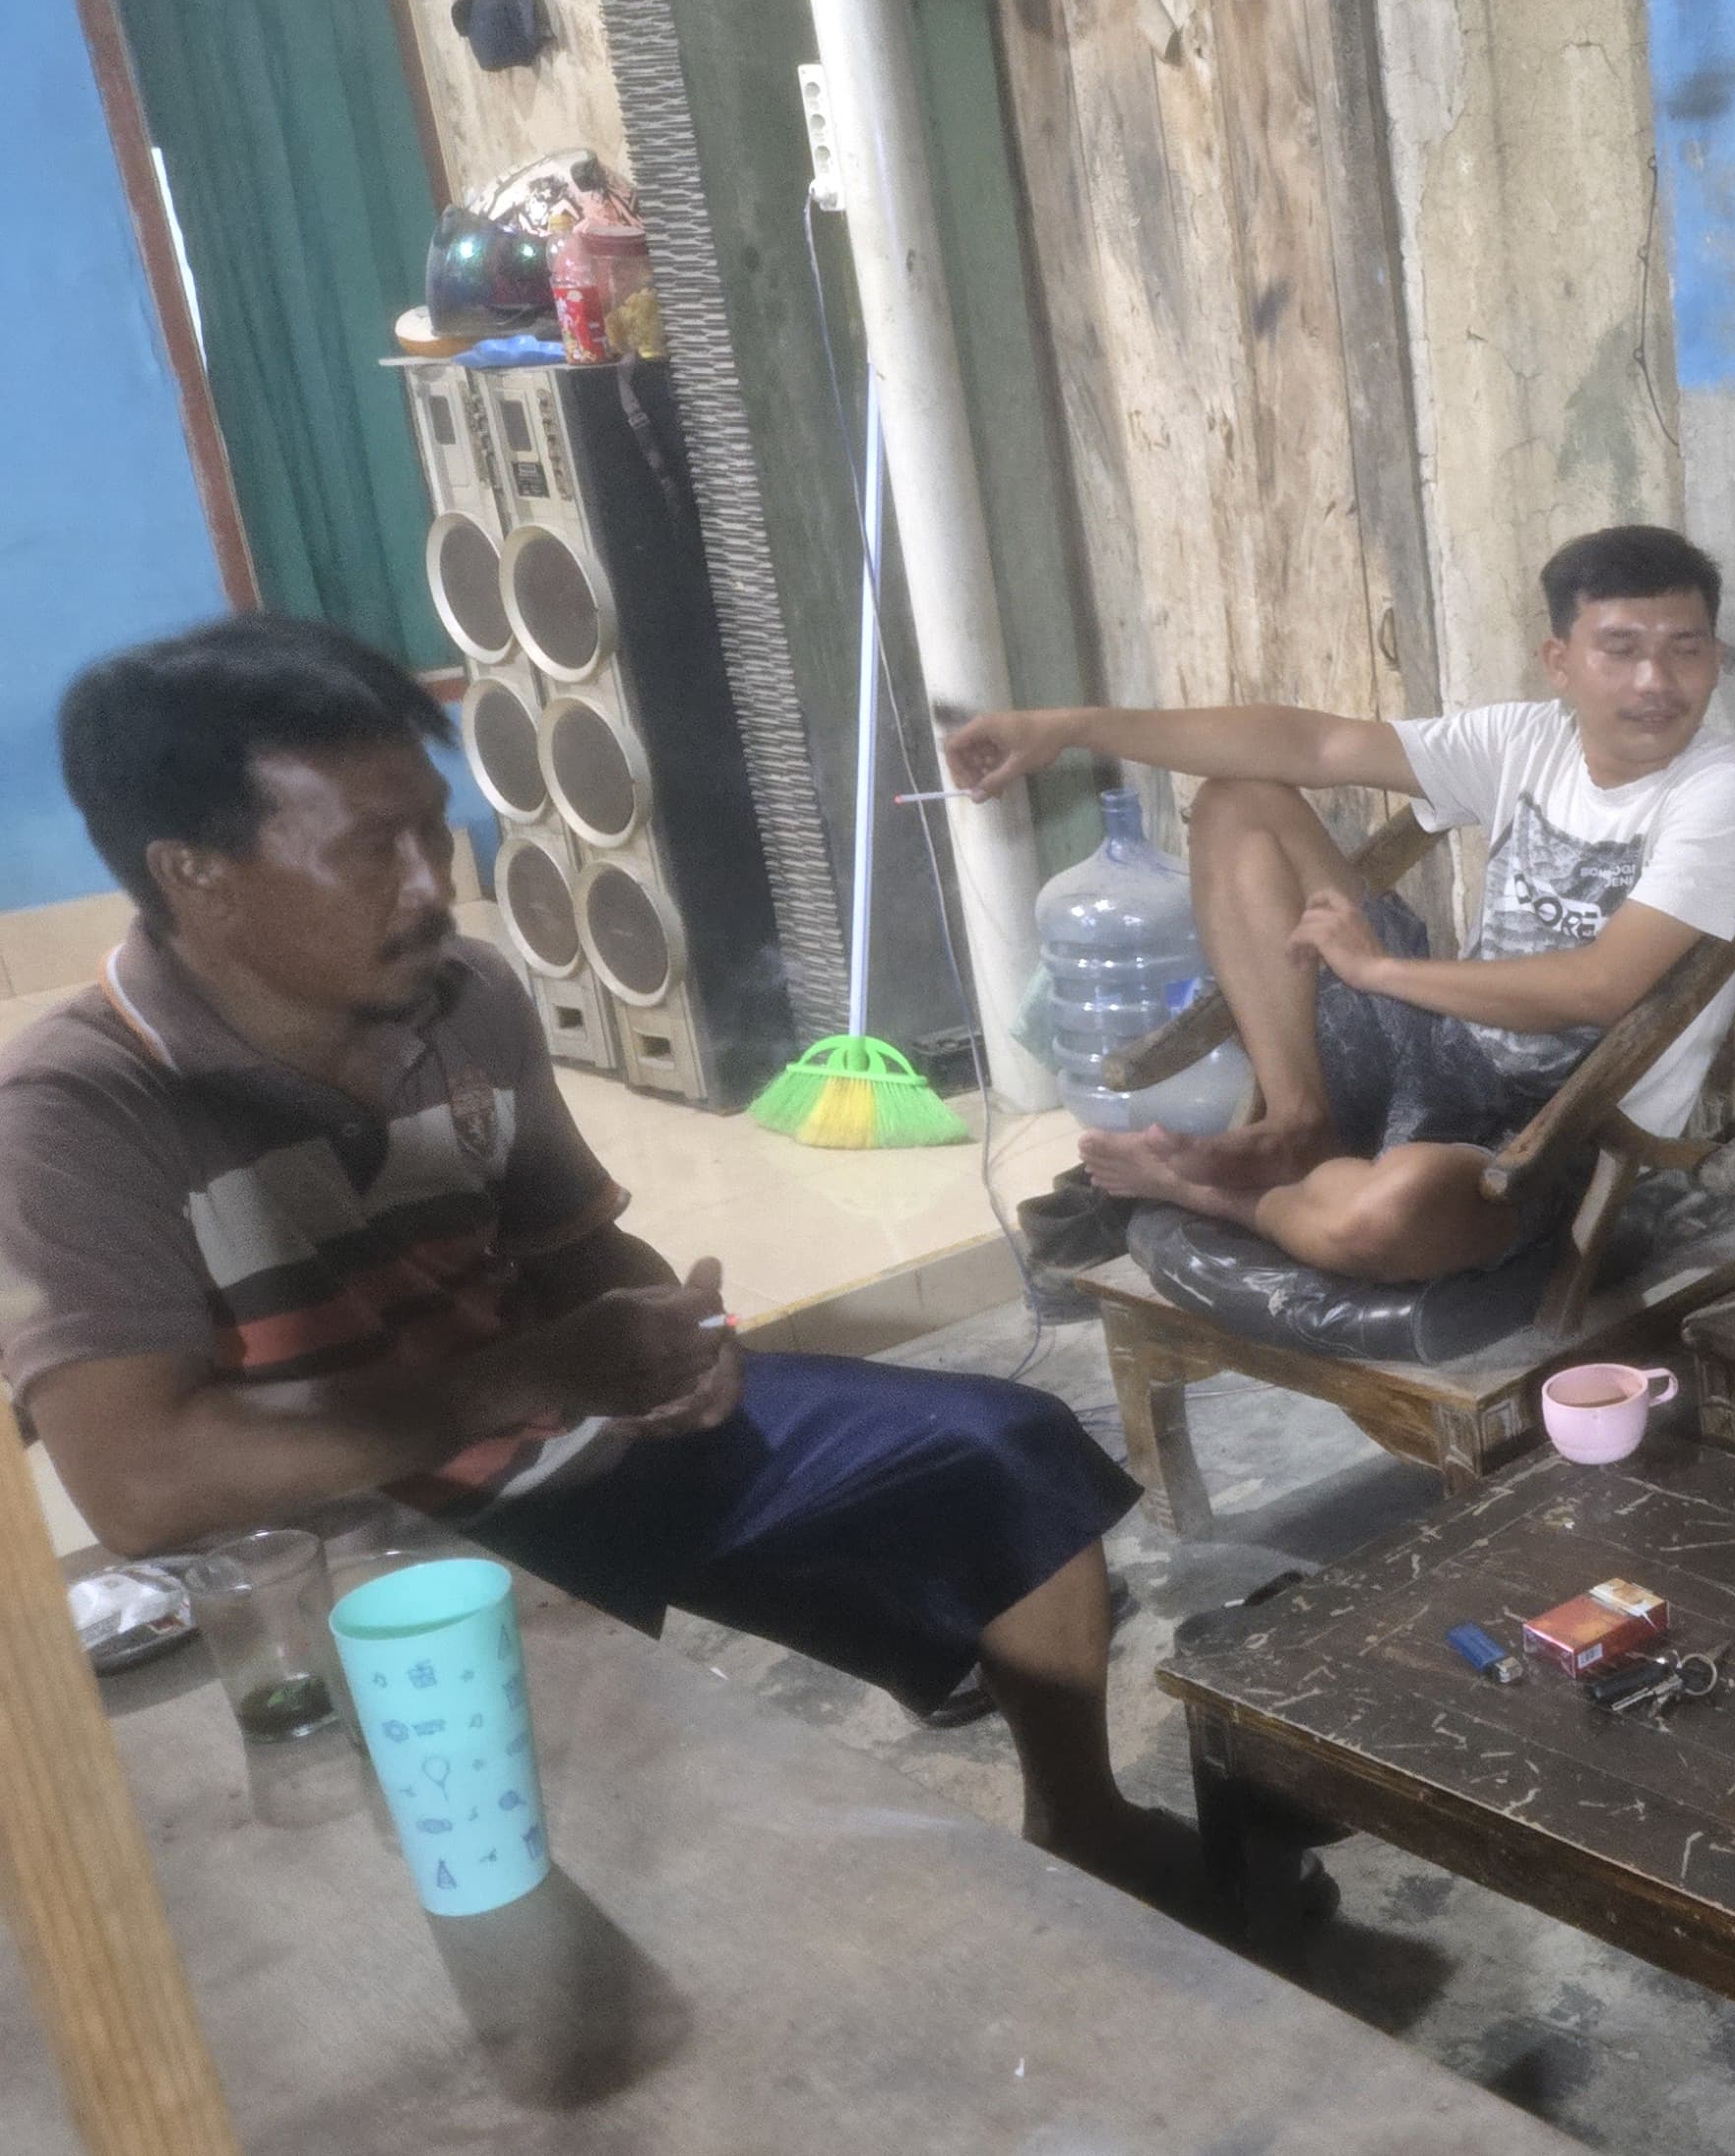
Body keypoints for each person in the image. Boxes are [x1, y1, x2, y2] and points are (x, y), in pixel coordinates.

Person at [0, 617, 1205, 1908]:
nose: (429, 885)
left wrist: (670, 1336)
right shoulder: (76, 1114)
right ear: (197, 875)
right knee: (577, 1864)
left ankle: (1084, 1824)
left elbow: (573, 1246)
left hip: (563, 1443)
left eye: (432, 832)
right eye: (369, 849)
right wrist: (530, 1375)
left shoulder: (465, 997)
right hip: (361, 1551)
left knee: (1005, 1453)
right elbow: (140, 1484)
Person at [945, 524, 1735, 1281]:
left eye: (1685, 649)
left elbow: (1599, 988)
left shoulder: (1728, 796)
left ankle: (1205, 1196)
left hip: (1566, 1130)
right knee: (1241, 800)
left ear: (1715, 658)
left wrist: (1383, 970)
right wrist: (1072, 728)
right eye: (1620, 649)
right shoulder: (1528, 739)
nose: (1655, 681)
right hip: (1445, 1049)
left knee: (1384, 1216)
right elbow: (1316, 743)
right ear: (1559, 662)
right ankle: (1298, 1126)